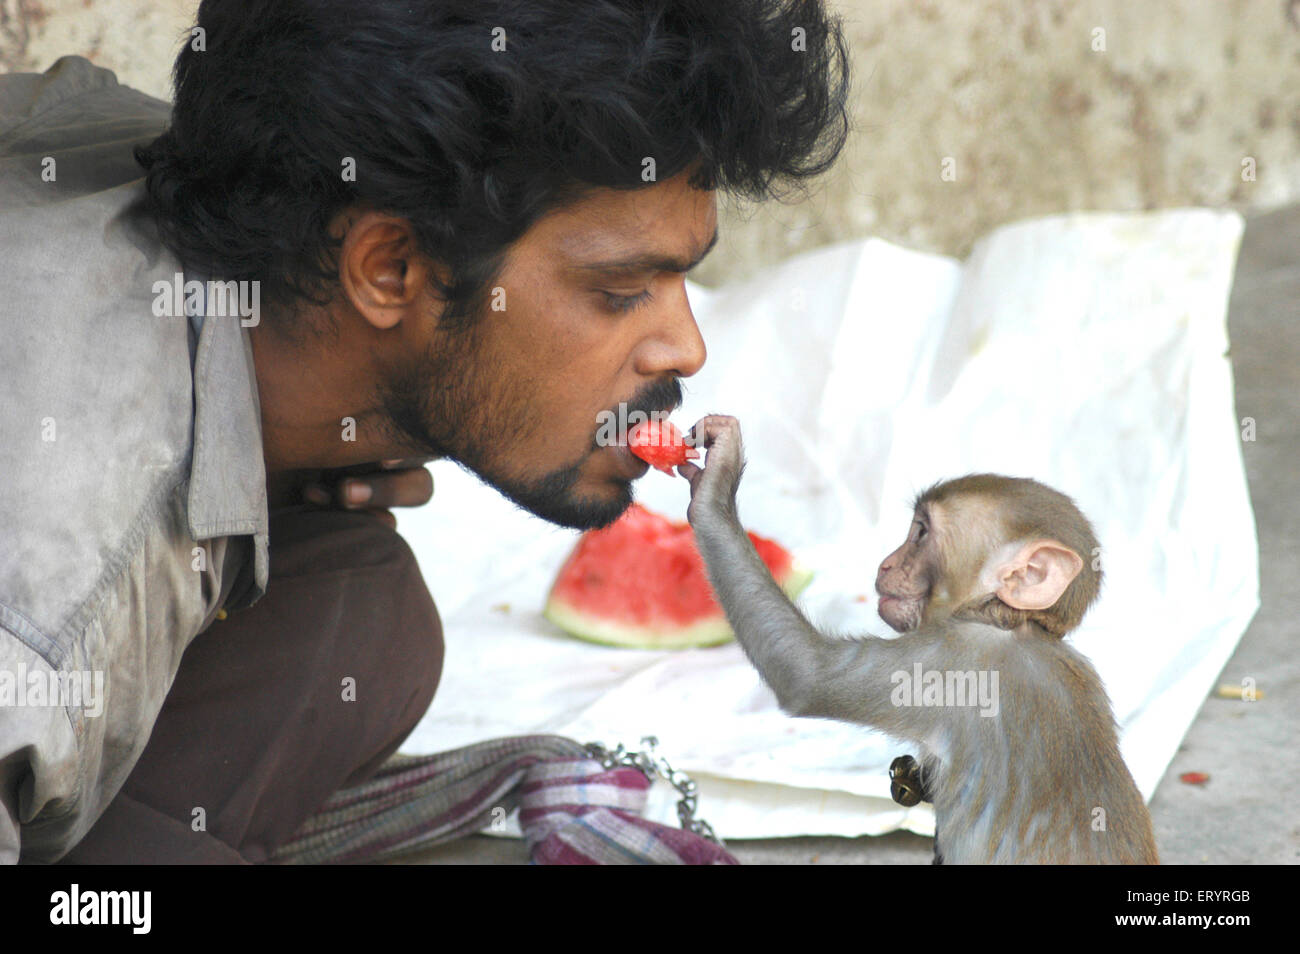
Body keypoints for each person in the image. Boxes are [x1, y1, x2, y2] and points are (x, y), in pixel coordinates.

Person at [0, 0, 849, 863]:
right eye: (621, 290)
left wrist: (296, 462)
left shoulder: (167, 171)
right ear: (390, 269)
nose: (687, 349)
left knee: (357, 616)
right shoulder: (48, 597)